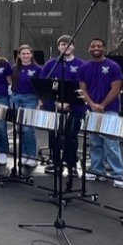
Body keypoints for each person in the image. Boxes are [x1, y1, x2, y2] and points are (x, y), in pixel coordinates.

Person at [78, 38, 123, 188]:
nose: (96, 48)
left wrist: (103, 105)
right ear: (89, 48)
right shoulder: (84, 68)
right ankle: (97, 170)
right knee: (95, 142)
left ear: (104, 49)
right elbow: (82, 89)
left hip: (109, 110)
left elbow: (116, 89)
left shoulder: (113, 66)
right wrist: (92, 105)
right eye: (93, 46)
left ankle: (118, 174)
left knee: (111, 143)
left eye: (99, 46)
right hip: (91, 110)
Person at [40, 35, 86, 175]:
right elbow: (44, 84)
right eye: (63, 44)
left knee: (71, 136)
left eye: (69, 44)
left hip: (75, 106)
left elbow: (83, 86)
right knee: (54, 135)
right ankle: (55, 163)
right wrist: (55, 102)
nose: (66, 47)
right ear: (58, 47)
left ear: (73, 46)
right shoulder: (51, 64)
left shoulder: (81, 65)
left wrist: (69, 103)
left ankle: (71, 165)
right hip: (53, 105)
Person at [10, 45, 43, 167]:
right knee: (19, 128)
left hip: (30, 99)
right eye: (23, 54)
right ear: (19, 55)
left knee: (28, 129)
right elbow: (11, 82)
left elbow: (41, 86)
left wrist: (40, 102)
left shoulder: (38, 69)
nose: (25, 56)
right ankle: (24, 154)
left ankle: (32, 155)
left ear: (32, 54)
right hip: (16, 98)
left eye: (28, 53)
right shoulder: (15, 68)